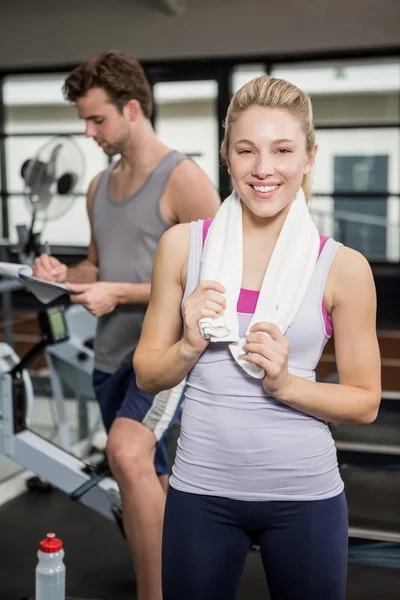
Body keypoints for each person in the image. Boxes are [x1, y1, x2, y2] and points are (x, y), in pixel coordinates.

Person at [133, 75, 382, 600]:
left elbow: (364, 403)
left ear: (310, 156)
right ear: (227, 156)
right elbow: (147, 373)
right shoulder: (182, 248)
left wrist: (286, 384)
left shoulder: (344, 268)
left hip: (305, 498)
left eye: (283, 150)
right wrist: (187, 346)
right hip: (201, 493)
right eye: (246, 150)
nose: (264, 169)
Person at [32, 50, 221, 600]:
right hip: (110, 357)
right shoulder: (98, 187)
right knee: (149, 480)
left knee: (125, 452)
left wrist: (119, 293)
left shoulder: (184, 179)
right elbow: (98, 265)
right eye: (85, 121)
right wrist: (64, 274)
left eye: (98, 119)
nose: (89, 132)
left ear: (132, 108)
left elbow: (211, 286)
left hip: (161, 359)